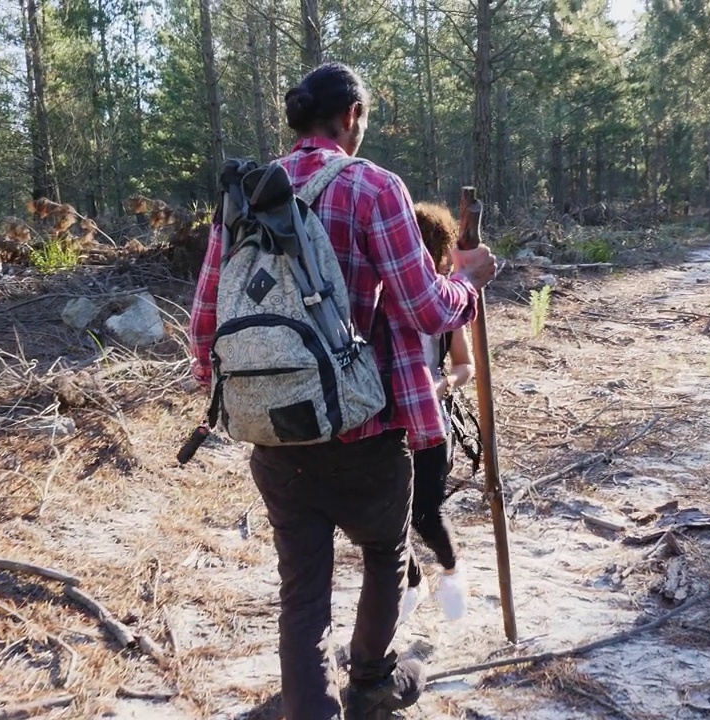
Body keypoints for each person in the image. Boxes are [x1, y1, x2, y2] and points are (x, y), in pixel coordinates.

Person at [188, 62, 498, 720]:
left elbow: (205, 319)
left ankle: (313, 709)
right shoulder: (373, 187)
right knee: (384, 555)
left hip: (273, 431)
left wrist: (230, 391)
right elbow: (424, 308)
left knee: (303, 591)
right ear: (351, 117)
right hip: (366, 426)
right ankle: (370, 687)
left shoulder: (245, 193)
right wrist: (470, 281)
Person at [399, 203, 475, 626]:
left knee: (426, 512)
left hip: (430, 420)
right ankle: (411, 581)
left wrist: (442, 386)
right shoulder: (379, 292)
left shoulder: (444, 298)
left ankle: (450, 570)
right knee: (386, 516)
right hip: (386, 423)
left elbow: (466, 365)